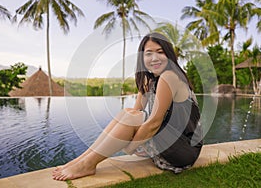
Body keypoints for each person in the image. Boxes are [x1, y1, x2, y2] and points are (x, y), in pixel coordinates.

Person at [52, 32, 203, 181]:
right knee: (128, 112)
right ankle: (81, 160)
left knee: (132, 117)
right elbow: (136, 112)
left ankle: (87, 164)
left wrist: (131, 148)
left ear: (169, 55)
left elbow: (155, 122)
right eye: (148, 53)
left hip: (183, 151)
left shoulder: (169, 76)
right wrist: (143, 88)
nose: (154, 58)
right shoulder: (152, 81)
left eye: (160, 52)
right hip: (171, 145)